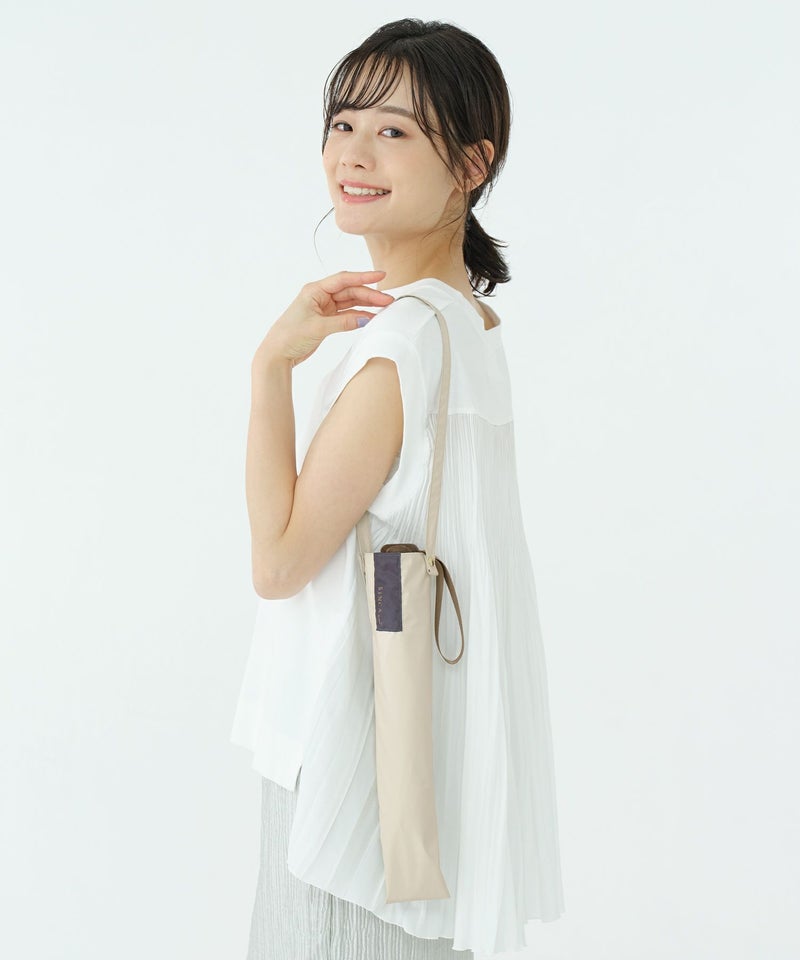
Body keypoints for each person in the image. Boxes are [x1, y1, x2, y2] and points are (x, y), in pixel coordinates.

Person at [231, 17, 565, 959]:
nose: (353, 153)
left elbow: (279, 564)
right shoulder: (470, 325)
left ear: (471, 164)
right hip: (422, 745)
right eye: (342, 124)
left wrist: (269, 368)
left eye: (394, 131)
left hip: (343, 746)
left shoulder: (402, 341)